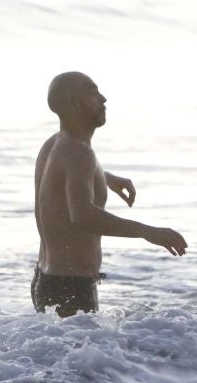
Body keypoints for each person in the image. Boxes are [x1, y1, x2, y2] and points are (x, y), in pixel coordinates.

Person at [32, 71, 187, 316]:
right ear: (73, 104)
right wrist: (149, 232)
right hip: (70, 287)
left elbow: (61, 180)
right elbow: (82, 216)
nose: (103, 99)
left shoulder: (55, 144)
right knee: (82, 354)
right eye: (93, 93)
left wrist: (104, 178)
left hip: (47, 279)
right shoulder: (79, 154)